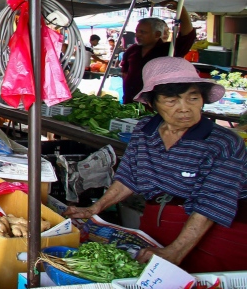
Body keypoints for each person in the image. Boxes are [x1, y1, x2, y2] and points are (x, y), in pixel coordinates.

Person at [65, 57, 247, 272]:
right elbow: (128, 177)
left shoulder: (223, 142)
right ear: (152, 104)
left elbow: (212, 204)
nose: (184, 108)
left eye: (193, 98)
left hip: (216, 232)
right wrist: (96, 208)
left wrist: (175, 251)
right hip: (158, 224)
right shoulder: (145, 130)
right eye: (171, 101)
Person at [121, 4, 195, 103]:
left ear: (157, 34)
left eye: (143, 32)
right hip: (130, 102)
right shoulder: (132, 50)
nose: (138, 35)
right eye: (137, 31)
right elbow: (125, 72)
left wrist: (181, 8)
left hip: (157, 104)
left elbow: (187, 36)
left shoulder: (169, 50)